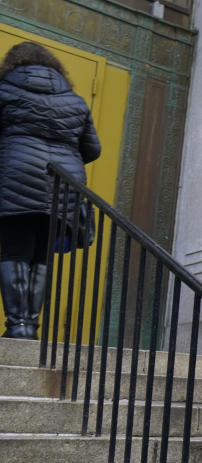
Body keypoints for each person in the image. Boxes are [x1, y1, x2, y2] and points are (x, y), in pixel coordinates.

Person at [0, 41, 101, 338]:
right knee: (41, 256)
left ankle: (18, 326)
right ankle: (30, 325)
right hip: (62, 186)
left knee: (15, 251)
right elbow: (92, 149)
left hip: (16, 179)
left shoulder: (5, 91)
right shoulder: (76, 101)